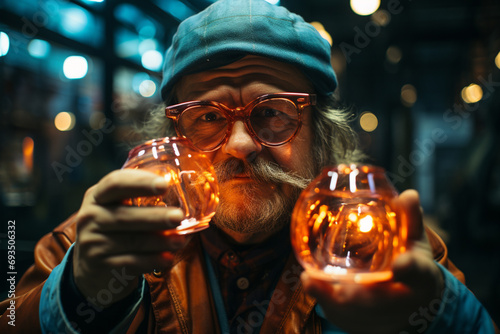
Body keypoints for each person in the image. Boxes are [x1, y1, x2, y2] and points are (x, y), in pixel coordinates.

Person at [0, 0, 497, 333]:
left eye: (272, 114)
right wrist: (80, 290)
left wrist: (440, 313)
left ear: (323, 133)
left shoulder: (387, 246)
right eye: (208, 118)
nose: (239, 145)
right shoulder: (98, 243)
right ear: (175, 137)